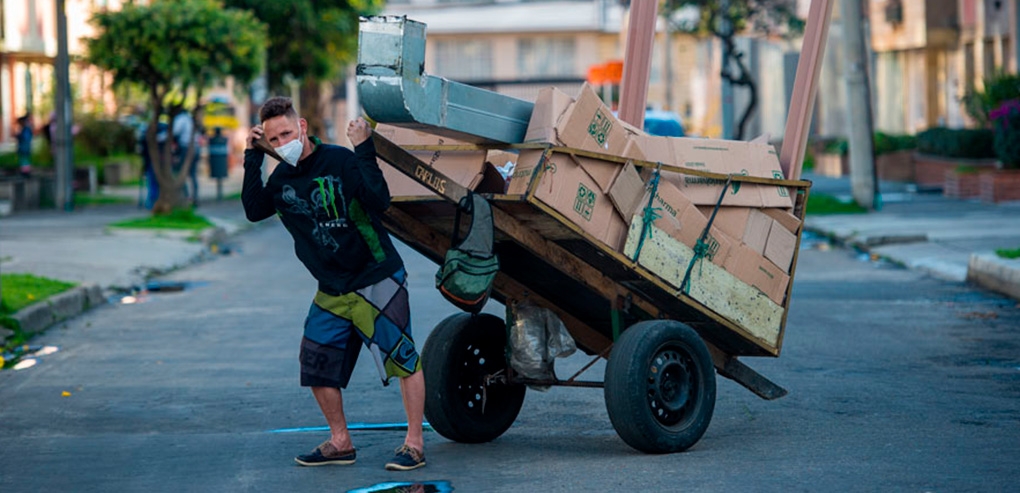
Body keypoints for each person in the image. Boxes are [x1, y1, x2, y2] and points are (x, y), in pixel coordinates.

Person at [241, 97, 427, 471]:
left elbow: (380, 199)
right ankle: (340, 441)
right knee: (315, 362)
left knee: (402, 358)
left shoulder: (340, 160)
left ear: (303, 127)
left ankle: (414, 443)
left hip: (376, 276)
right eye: (273, 139)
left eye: (287, 134)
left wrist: (363, 147)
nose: (282, 144)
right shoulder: (280, 179)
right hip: (331, 288)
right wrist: (252, 156)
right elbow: (253, 209)